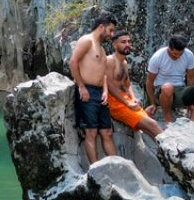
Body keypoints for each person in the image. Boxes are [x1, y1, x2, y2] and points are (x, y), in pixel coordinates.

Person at [68, 13, 119, 163]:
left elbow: (103, 73)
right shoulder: (86, 41)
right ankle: (96, 170)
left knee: (107, 132)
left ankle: (117, 166)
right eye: (110, 30)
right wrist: (81, 87)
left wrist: (105, 90)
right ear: (101, 27)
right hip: (87, 91)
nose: (112, 34)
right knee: (91, 132)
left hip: (100, 94)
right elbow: (73, 62)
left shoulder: (102, 49)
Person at [105, 31, 164, 138]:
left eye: (129, 41)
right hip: (115, 104)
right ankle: (175, 151)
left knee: (150, 129)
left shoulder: (124, 62)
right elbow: (111, 87)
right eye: (123, 42)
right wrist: (128, 103)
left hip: (126, 100)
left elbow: (127, 85)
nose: (127, 44)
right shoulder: (109, 61)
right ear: (114, 45)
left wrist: (133, 98)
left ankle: (164, 153)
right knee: (153, 124)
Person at [146, 35, 194, 123]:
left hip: (180, 90)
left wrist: (190, 102)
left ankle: (193, 121)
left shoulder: (188, 55)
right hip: (161, 91)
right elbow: (149, 81)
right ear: (169, 48)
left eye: (180, 54)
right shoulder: (157, 57)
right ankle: (168, 120)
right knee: (168, 87)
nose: (177, 56)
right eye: (174, 54)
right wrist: (152, 103)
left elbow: (191, 77)